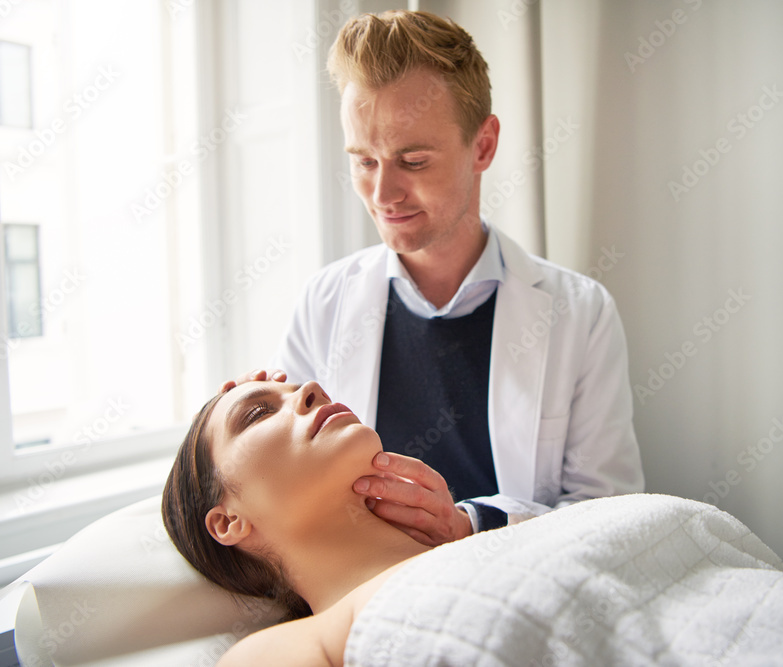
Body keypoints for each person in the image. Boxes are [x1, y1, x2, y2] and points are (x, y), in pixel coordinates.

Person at [164, 380, 783, 666]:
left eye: (292, 382)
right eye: (257, 410)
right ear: (228, 520)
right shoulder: (298, 640)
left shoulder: (522, 538)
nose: (301, 388)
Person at [238, 9, 643, 547]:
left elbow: (608, 514)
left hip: (518, 588)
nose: (383, 196)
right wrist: (246, 426)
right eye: (364, 162)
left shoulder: (581, 313)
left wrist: (469, 524)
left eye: (413, 160)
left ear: (483, 146)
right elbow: (280, 490)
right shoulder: (324, 303)